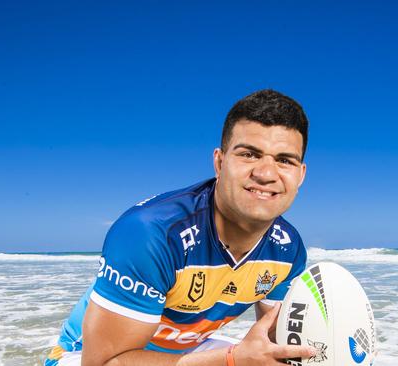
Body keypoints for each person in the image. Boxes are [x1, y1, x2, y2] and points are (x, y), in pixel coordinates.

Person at [45, 89, 315, 366]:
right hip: (84, 357)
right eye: (249, 154)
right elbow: (104, 363)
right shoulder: (150, 234)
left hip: (187, 352)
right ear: (220, 163)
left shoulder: (288, 249)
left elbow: (276, 344)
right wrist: (231, 360)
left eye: (284, 160)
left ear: (301, 174)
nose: (266, 174)